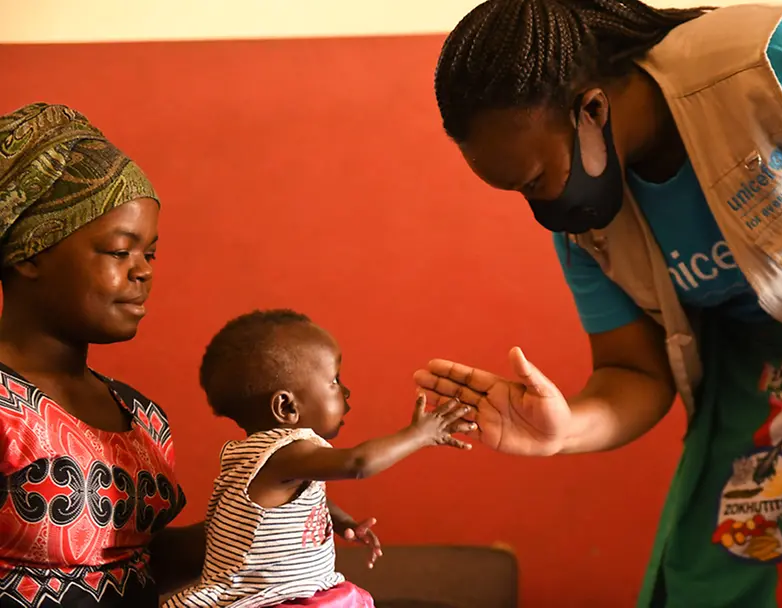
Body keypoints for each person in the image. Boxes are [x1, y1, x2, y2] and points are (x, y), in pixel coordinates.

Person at [417, 1, 782, 606]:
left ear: (592, 110)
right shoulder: (587, 219)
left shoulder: (773, 64)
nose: (540, 207)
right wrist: (564, 429)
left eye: (532, 180)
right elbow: (633, 373)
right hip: (758, 379)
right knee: (704, 583)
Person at [0, 103, 204, 607]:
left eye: (149, 253)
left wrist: (274, 509)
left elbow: (141, 563)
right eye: (119, 251)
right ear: (30, 254)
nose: (144, 271)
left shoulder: (143, 419)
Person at [165, 309, 474, 608]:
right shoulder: (285, 451)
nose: (346, 391)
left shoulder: (259, 456)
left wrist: (341, 521)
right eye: (334, 381)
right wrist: (419, 434)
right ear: (287, 408)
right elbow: (359, 463)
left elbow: (305, 497)